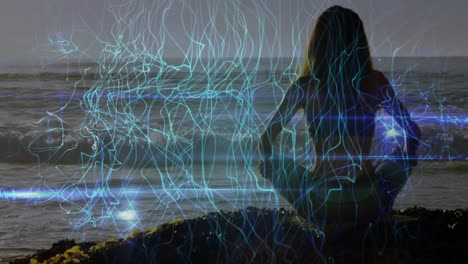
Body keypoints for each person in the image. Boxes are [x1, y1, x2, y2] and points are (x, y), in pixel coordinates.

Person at [258, 6, 421, 226]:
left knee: (273, 165)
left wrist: (274, 166)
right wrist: (393, 174)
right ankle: (384, 206)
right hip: (368, 202)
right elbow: (413, 133)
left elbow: (266, 139)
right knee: (402, 156)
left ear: (318, 44)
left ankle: (309, 212)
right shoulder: (375, 82)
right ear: (358, 43)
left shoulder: (304, 87)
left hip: (320, 203)